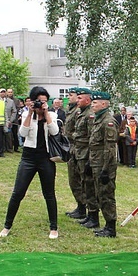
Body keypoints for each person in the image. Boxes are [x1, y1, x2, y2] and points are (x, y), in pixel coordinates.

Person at [0, 87, 60, 239]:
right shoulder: (27, 114)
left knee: (49, 193)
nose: (42, 104)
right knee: (18, 192)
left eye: (45, 101)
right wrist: (31, 113)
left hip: (46, 157)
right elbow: (22, 133)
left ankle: (53, 227)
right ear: (32, 101)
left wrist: (46, 113)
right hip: (28, 157)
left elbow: (54, 132)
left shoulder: (51, 114)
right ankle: (7, 225)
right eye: (39, 101)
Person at [89, 91, 119, 237]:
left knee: (106, 195)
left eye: (95, 103)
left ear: (103, 104)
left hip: (104, 165)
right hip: (97, 162)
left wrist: (106, 169)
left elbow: (110, 148)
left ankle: (111, 227)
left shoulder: (108, 121)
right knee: (100, 194)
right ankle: (107, 225)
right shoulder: (98, 119)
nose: (92, 105)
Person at [73, 90, 100, 228]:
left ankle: (94, 215)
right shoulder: (81, 113)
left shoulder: (89, 115)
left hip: (86, 154)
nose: (77, 100)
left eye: (80, 98)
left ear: (87, 101)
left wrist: (90, 158)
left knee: (90, 186)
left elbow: (92, 139)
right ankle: (89, 214)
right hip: (80, 154)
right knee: (84, 184)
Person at [64, 88, 86, 219]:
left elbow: (81, 131)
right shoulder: (72, 110)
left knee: (79, 180)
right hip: (71, 148)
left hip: (78, 148)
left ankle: (83, 207)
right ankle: (80, 206)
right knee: (73, 180)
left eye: (71, 95)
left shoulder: (78, 112)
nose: (69, 97)